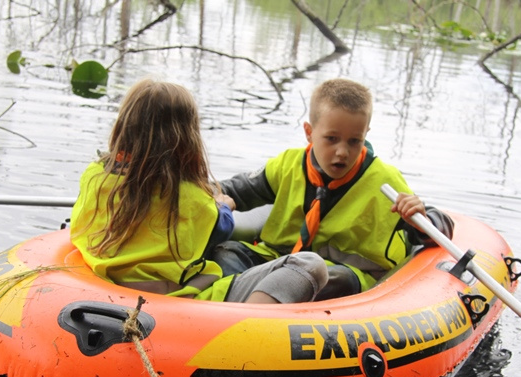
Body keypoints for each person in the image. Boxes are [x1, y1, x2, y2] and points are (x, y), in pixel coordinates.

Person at [70, 79, 328, 303]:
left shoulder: (95, 176)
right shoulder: (187, 195)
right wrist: (224, 205)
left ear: (123, 127)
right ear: (187, 139)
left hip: (104, 287)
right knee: (309, 265)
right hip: (176, 299)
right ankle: (245, 330)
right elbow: (220, 228)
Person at [211, 78, 454, 300]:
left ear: (365, 134)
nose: (342, 152)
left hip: (344, 272)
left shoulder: (384, 180)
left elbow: (440, 226)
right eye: (331, 139)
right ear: (309, 132)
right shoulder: (287, 164)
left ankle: (262, 303)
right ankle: (239, 305)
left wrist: (420, 218)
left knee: (335, 280)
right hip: (278, 259)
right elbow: (237, 189)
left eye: (354, 141)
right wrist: (210, 194)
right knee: (227, 252)